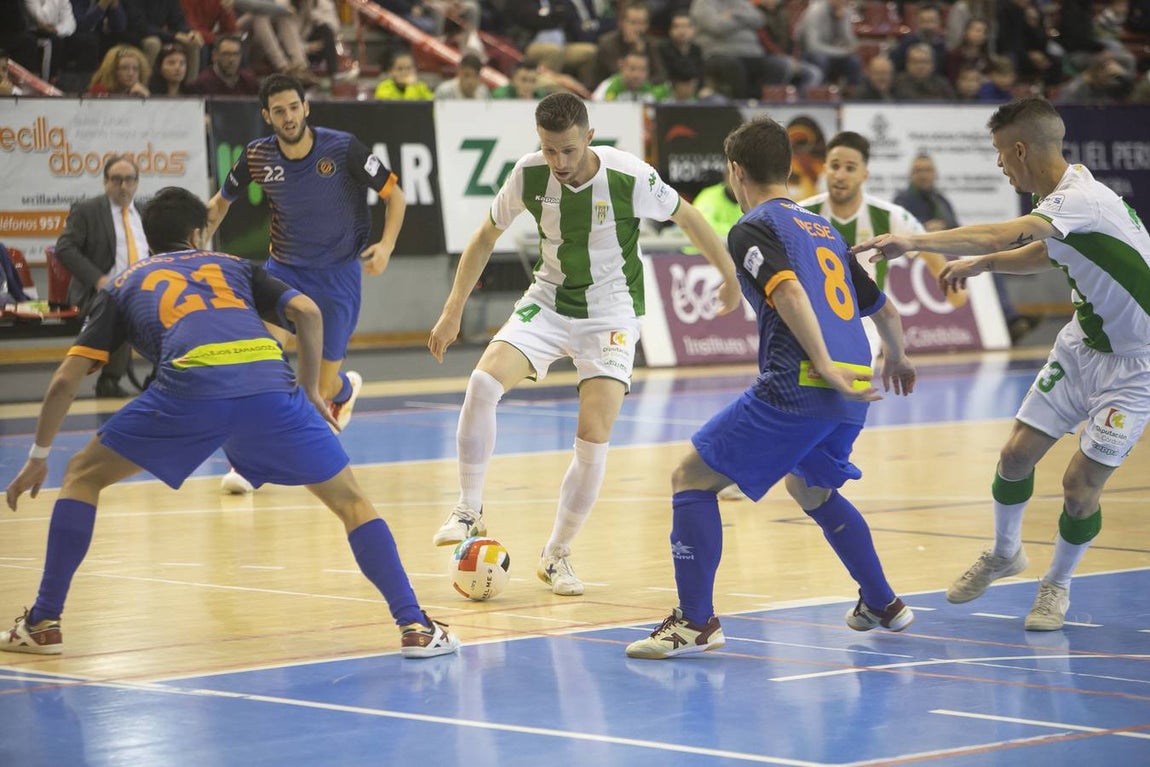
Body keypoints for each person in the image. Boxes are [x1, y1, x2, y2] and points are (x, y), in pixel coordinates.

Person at [1, 186, 459, 659]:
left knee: (80, 475)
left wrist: (38, 456)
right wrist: (306, 393)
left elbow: (63, 382)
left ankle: (44, 622)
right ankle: (415, 626)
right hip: (269, 385)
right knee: (352, 503)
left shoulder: (122, 285)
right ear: (199, 233)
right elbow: (307, 311)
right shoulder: (233, 266)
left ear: (148, 236)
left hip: (189, 391)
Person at [853, 96, 1150, 631]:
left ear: (1020, 149)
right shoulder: (1068, 197)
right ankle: (1005, 553)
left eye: (999, 153)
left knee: (1081, 485)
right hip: (1082, 345)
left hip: (1135, 366)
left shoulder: (1081, 198)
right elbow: (1052, 250)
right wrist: (986, 264)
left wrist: (914, 242)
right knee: (1015, 457)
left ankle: (1056, 586)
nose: (998, 165)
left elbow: (1003, 232)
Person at [426, 93, 742, 595]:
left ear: (589, 138)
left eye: (568, 151)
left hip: (611, 313)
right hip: (548, 301)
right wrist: (451, 311)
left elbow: (687, 216)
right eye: (550, 151)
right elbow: (485, 236)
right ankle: (468, 511)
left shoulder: (628, 175)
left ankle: (557, 555)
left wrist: (727, 273)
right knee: (483, 382)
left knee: (593, 436)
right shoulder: (529, 174)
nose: (559, 163)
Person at [625, 117, 917, 659]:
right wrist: (896, 357)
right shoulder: (824, 228)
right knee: (810, 488)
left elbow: (788, 295)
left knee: (689, 477)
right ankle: (882, 602)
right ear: (787, 168)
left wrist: (822, 363)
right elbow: (883, 309)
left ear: (735, 173)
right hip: (854, 388)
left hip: (803, 384)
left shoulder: (752, 227)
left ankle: (695, 623)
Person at [206, 74, 408, 493]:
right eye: (278, 110)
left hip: (338, 277)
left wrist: (386, 246)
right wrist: (190, 245)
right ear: (267, 116)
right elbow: (220, 203)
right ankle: (247, 464)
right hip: (284, 271)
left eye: (293, 107)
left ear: (306, 107)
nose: (288, 116)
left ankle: (343, 390)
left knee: (317, 386)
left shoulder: (343, 148)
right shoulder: (257, 157)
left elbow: (395, 195)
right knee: (259, 358)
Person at [798, 132, 950, 295]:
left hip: (871, 320)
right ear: (825, 169)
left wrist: (957, 294)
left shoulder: (891, 215)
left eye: (850, 168)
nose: (840, 175)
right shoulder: (799, 213)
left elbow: (935, 259)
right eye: (834, 166)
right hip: (815, 320)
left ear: (865, 174)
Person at [54, 156, 148, 399]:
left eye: (129, 180)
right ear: (105, 182)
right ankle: (110, 380)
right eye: (117, 180)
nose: (124, 186)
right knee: (120, 307)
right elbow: (65, 248)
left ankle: (159, 378)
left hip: (143, 290)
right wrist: (98, 279)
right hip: (101, 292)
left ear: (137, 183)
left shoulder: (144, 211)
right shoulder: (88, 211)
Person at [190, 32, 260, 95]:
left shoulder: (250, 81)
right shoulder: (203, 83)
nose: (231, 59)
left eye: (235, 54)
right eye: (226, 54)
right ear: (214, 56)